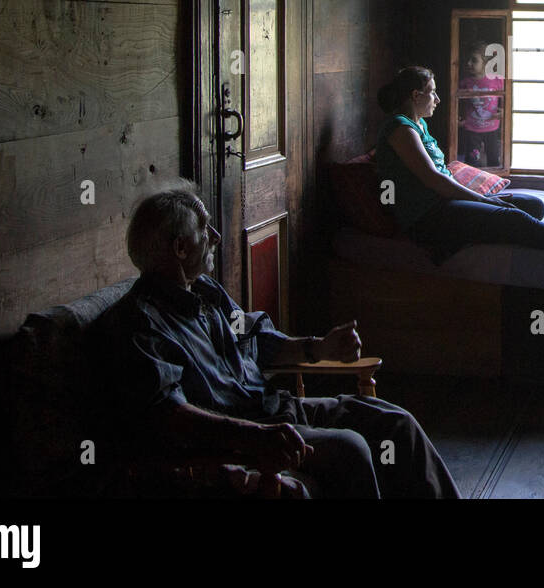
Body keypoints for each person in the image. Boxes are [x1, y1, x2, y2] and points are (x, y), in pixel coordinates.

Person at [97, 181, 460, 498]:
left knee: (397, 424)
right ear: (179, 248)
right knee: (351, 448)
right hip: (249, 435)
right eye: (206, 229)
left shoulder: (206, 294)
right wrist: (252, 436)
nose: (217, 238)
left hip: (276, 408)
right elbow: (169, 414)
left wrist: (318, 347)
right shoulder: (143, 325)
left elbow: (254, 337)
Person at [374, 65, 544, 254]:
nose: (438, 99)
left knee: (532, 205)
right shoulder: (400, 129)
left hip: (447, 201)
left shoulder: (418, 124)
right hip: (429, 217)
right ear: (415, 95)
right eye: (432, 92)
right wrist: (482, 200)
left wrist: (481, 198)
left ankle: (492, 223)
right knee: (514, 220)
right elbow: (432, 178)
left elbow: (442, 175)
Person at [458, 40, 503, 168]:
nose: (468, 63)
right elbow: (459, 102)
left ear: (485, 63)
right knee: (473, 161)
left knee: (494, 159)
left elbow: (506, 97)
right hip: (472, 128)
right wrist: (459, 118)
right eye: (468, 60)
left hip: (492, 127)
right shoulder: (465, 82)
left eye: (474, 60)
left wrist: (504, 111)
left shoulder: (497, 80)